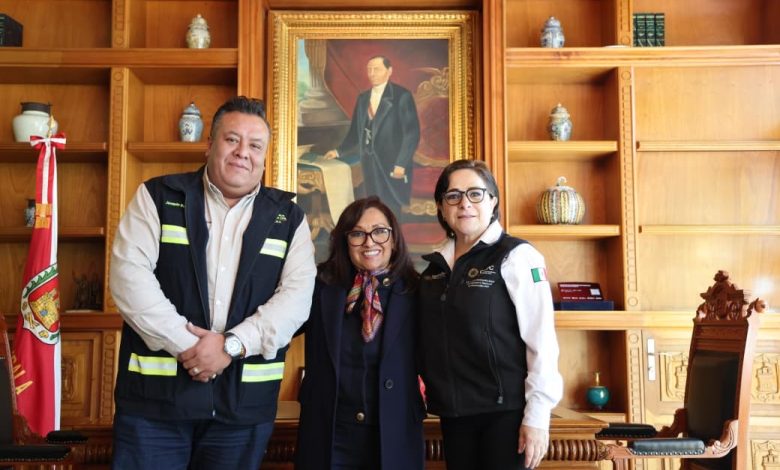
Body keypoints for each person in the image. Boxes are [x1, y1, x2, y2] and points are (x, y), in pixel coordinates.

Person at [109, 96, 317, 469]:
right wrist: (191, 347)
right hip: (155, 406)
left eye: (255, 145)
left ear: (265, 158)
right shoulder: (157, 197)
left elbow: (296, 301)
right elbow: (129, 280)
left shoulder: (290, 219)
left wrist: (231, 346)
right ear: (209, 145)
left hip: (243, 409)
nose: (242, 152)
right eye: (231, 139)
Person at [417, 159, 563, 470]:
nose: (464, 203)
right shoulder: (433, 269)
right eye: (453, 196)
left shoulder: (517, 256)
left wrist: (537, 417)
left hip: (505, 416)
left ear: (493, 200)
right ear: (441, 207)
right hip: (454, 414)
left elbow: (542, 342)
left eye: (475, 193)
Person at [295, 196, 425, 470]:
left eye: (379, 231)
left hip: (393, 431)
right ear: (345, 241)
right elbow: (282, 327)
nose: (369, 242)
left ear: (394, 239)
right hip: (329, 432)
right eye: (357, 234)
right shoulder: (318, 286)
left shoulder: (417, 291)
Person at [324, 55, 420, 217]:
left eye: (377, 69)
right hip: (368, 161)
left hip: (393, 163)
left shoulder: (402, 96)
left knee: (392, 209)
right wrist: (338, 151)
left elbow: (412, 134)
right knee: (373, 206)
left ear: (389, 71)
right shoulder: (363, 98)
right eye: (369, 70)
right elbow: (355, 132)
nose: (372, 73)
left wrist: (401, 164)